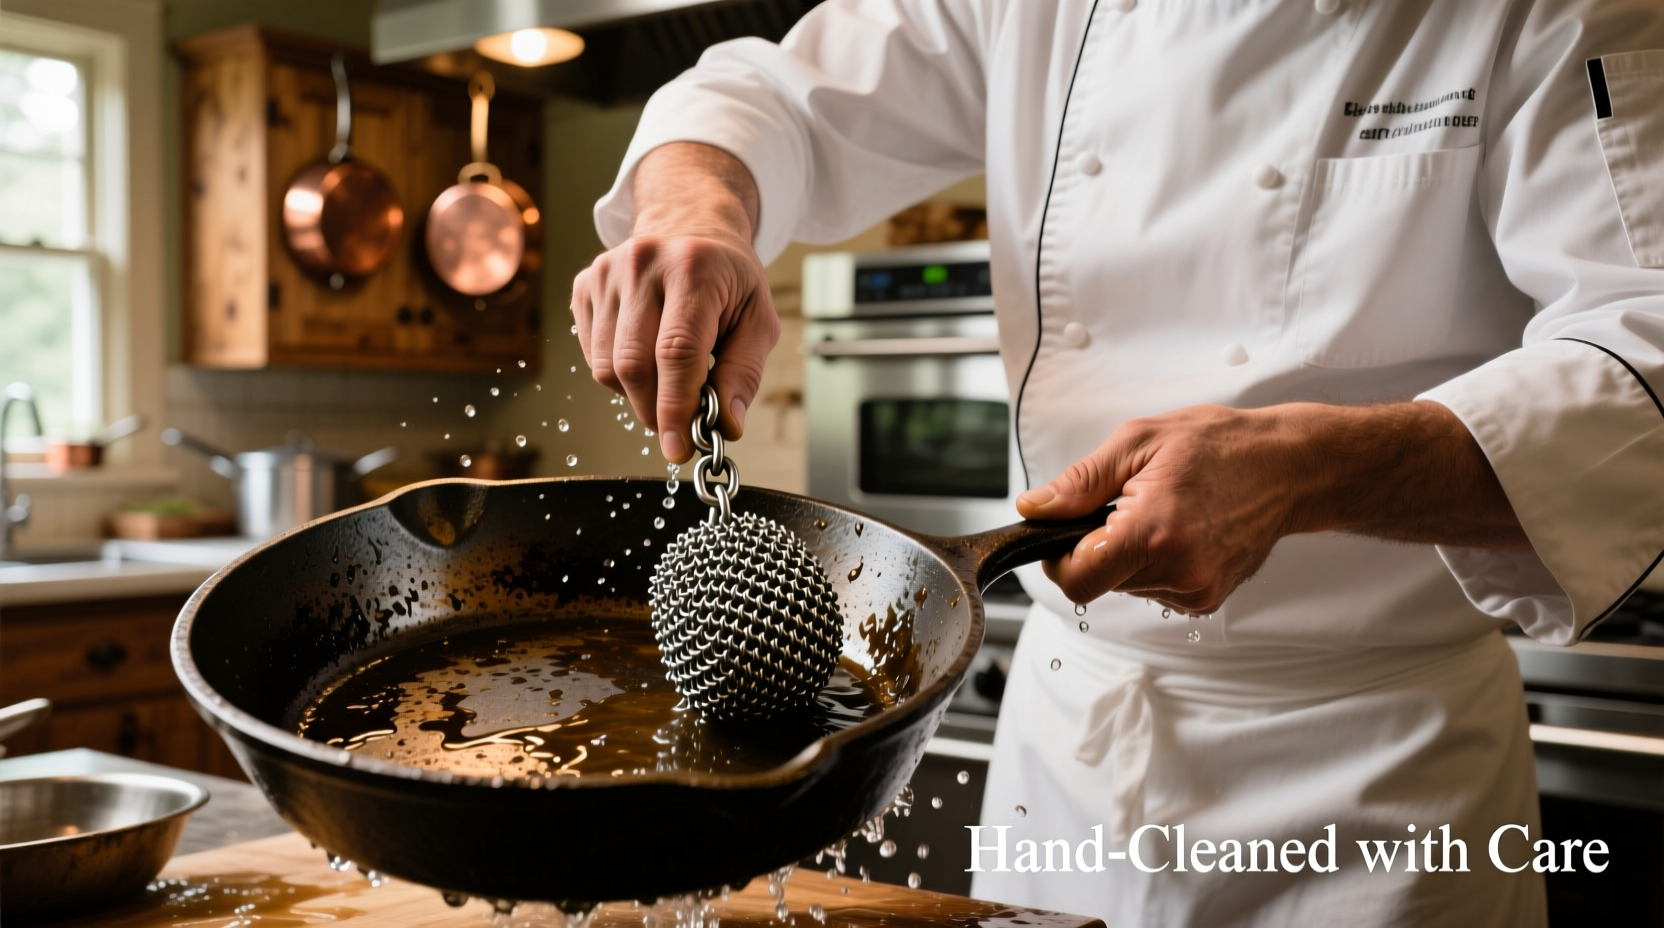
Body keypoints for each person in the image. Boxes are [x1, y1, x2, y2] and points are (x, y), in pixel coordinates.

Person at [569, 1, 1664, 924]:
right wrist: (695, 208)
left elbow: (1644, 362)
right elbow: (776, 93)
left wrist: (1309, 468)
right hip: (1069, 757)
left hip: (1375, 796)